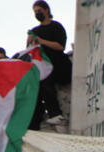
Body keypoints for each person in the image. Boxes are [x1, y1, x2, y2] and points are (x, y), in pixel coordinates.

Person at [28, 0, 72, 129]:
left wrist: (41, 41)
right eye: (35, 12)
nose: (37, 13)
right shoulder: (34, 31)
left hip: (58, 65)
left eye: (39, 10)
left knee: (45, 81)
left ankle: (56, 114)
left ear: (46, 10)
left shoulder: (56, 26)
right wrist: (31, 42)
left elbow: (60, 46)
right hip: (41, 66)